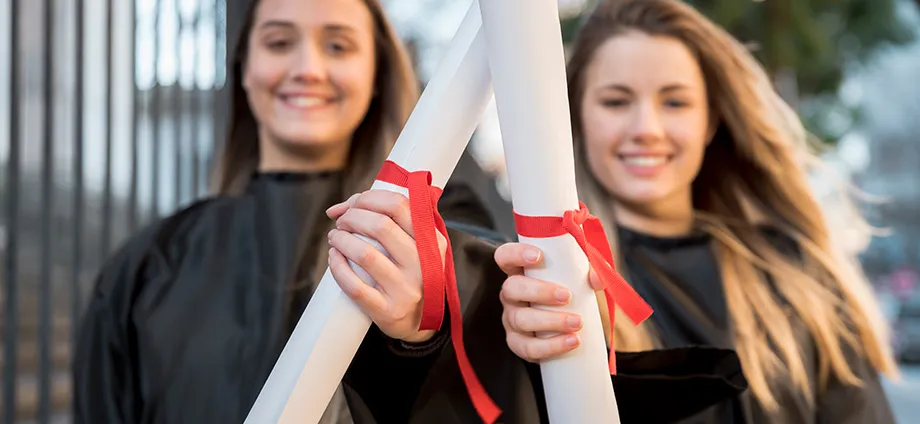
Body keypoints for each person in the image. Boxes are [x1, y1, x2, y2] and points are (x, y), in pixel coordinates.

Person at [73, 0, 747, 423]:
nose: (307, 66)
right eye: (279, 42)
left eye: (338, 44)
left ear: (376, 68)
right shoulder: (151, 264)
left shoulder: (458, 227)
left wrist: (422, 332)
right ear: (243, 65)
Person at [496, 0, 899, 422]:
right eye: (616, 102)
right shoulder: (542, 286)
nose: (646, 129)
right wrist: (515, 358)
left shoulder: (798, 278)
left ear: (710, 120)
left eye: (675, 103)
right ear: (577, 117)